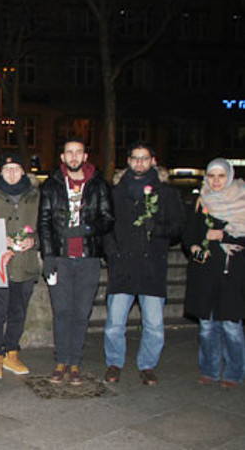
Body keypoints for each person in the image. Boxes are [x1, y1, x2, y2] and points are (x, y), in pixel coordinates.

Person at [103, 143, 184, 386]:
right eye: (135, 158)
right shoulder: (116, 192)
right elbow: (105, 227)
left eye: (144, 158)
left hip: (152, 268)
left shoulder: (167, 193)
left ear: (153, 161)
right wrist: (113, 254)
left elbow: (178, 228)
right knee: (114, 325)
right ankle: (114, 363)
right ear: (128, 161)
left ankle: (147, 365)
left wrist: (157, 230)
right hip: (123, 268)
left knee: (154, 326)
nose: (139, 163)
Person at [38, 138, 114, 386]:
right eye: (69, 153)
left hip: (88, 259)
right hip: (60, 258)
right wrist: (48, 255)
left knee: (81, 313)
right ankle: (61, 361)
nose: (73, 157)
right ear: (62, 157)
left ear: (85, 156)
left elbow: (108, 219)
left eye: (78, 152)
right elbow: (45, 222)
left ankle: (75, 363)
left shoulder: (98, 185)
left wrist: (87, 229)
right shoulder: (52, 185)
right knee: (62, 312)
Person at [184, 158, 245, 389]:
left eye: (221, 176)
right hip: (206, 272)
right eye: (212, 176)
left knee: (231, 325)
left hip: (233, 271)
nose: (216, 181)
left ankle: (234, 372)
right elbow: (189, 233)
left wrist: (224, 237)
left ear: (229, 176)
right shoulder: (202, 201)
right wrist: (194, 246)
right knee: (207, 325)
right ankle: (209, 370)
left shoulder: (242, 200)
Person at [0, 153, 40, 380]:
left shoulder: (35, 196)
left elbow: (44, 226)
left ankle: (11, 352)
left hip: (25, 264)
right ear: (0, 172)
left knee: (18, 311)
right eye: (7, 169)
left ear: (23, 171)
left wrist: (33, 240)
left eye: (16, 168)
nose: (12, 173)